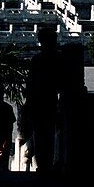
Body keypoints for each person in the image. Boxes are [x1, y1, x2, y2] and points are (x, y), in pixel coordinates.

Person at [23, 25, 66, 174]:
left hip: (44, 104)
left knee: (44, 137)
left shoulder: (40, 60)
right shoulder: (56, 59)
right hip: (47, 104)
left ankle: (45, 167)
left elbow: (31, 85)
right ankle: (47, 166)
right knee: (47, 137)